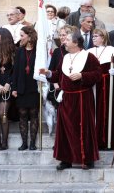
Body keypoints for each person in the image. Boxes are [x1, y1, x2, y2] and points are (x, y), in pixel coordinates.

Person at [39, 29, 102, 170]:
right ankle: (66, 159)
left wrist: (82, 76)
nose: (64, 42)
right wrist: (48, 73)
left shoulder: (89, 57)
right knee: (65, 129)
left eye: (67, 39)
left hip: (82, 98)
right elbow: (59, 76)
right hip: (66, 98)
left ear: (75, 42)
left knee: (83, 128)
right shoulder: (65, 57)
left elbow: (98, 75)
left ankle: (87, 159)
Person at [88, 28, 114, 150]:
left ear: (103, 37)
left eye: (96, 36)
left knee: (107, 110)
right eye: (93, 36)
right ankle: (95, 139)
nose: (93, 38)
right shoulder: (89, 51)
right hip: (93, 85)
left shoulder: (112, 50)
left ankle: (109, 140)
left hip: (107, 85)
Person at [11, 26, 39, 151]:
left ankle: (32, 143)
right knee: (22, 114)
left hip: (34, 86)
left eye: (22, 35)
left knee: (33, 114)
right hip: (22, 87)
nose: (20, 38)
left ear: (29, 36)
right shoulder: (19, 51)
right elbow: (15, 71)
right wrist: (14, 88)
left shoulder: (39, 51)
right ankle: (24, 143)